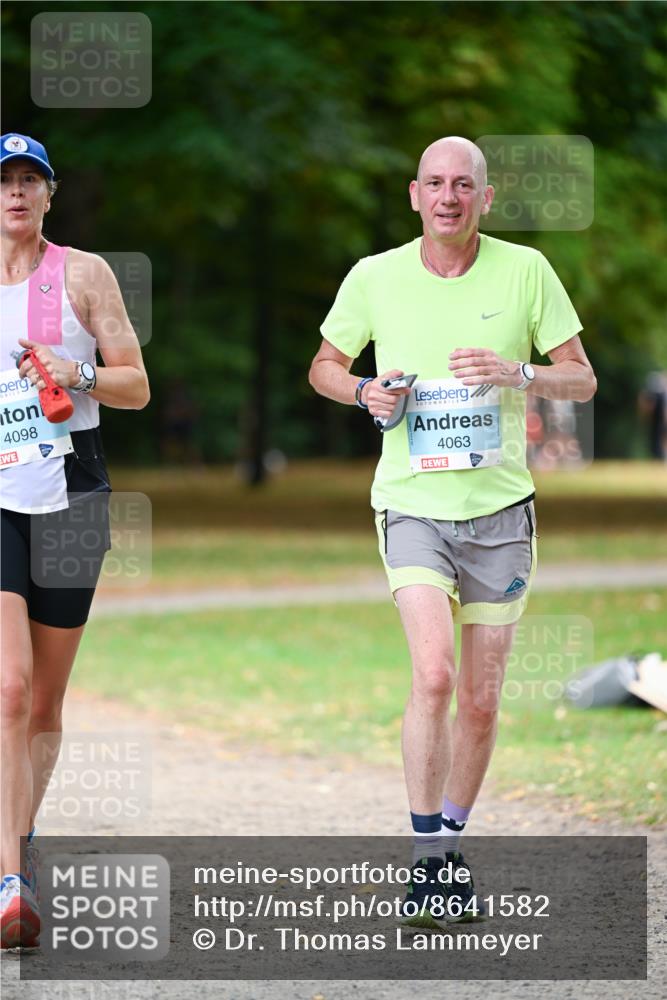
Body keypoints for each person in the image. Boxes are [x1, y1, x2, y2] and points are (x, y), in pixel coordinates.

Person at [309, 136, 596, 927]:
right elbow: (324, 366)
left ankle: (451, 848)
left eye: (462, 185)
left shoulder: (526, 271)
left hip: (500, 513)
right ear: (413, 195)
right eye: (434, 183)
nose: (447, 197)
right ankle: (424, 860)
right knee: (433, 675)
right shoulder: (374, 276)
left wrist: (520, 374)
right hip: (411, 504)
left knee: (478, 697)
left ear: (485, 197)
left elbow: (582, 373)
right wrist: (366, 390)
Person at [0, 133, 150, 947]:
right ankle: (8, 880)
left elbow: (137, 386)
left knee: (46, 703)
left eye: (30, 181)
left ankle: (16, 847)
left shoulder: (83, 275)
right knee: (9, 690)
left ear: (50, 194)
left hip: (71, 493)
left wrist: (76, 370)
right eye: (3, 182)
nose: (15, 193)